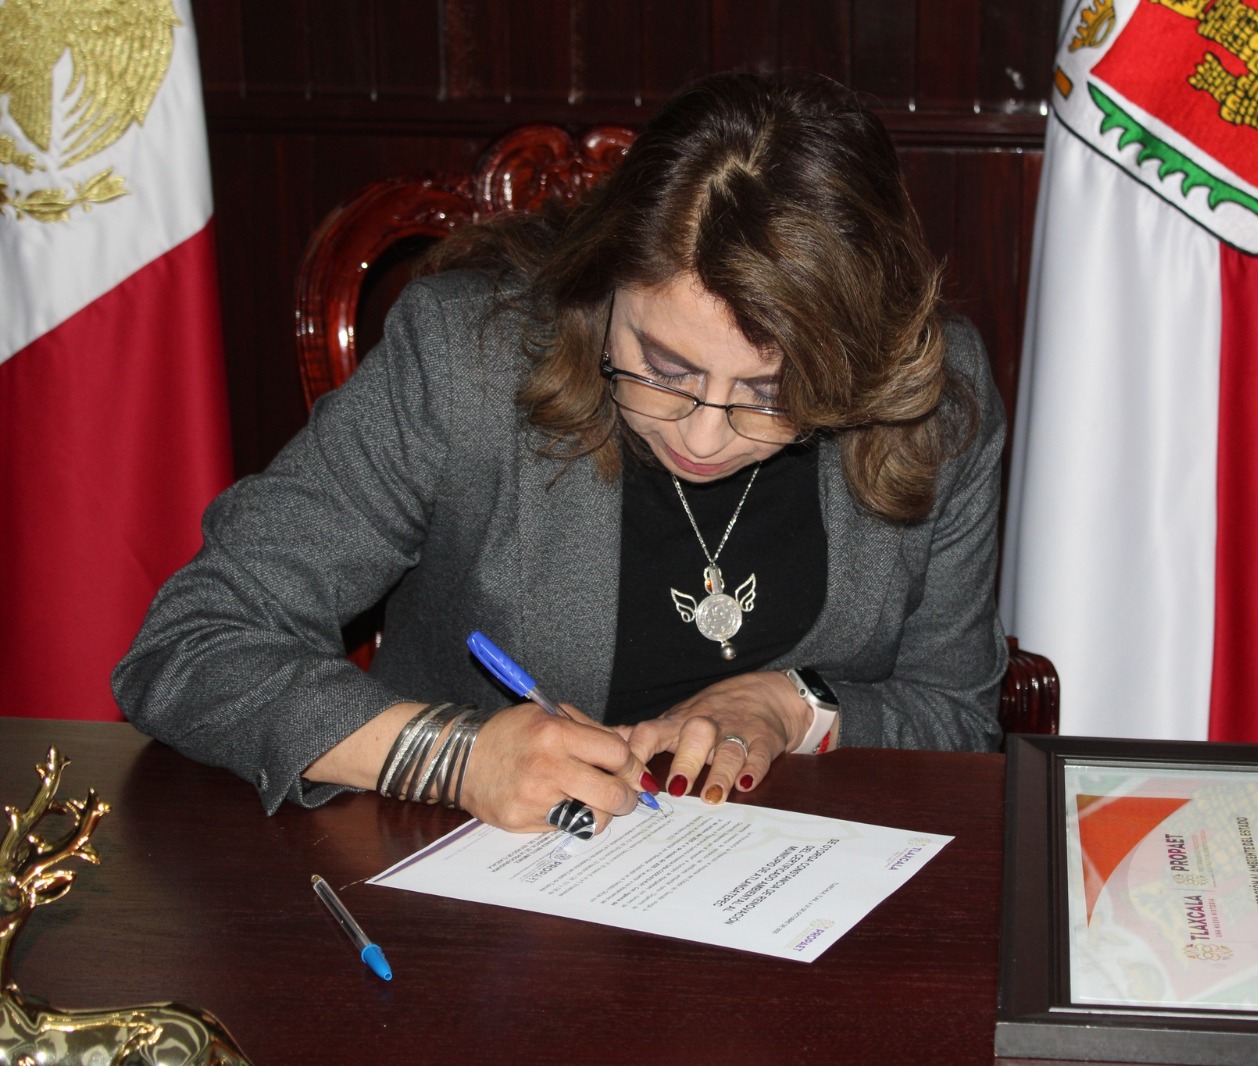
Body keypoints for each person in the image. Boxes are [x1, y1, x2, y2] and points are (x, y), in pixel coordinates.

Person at [113, 71, 1008, 838]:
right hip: (483, 901)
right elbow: (192, 644)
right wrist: (451, 756)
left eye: (774, 395)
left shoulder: (933, 402)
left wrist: (794, 706)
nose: (703, 436)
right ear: (606, 283)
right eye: (664, 369)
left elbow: (956, 717)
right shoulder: (466, 365)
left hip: (791, 901)